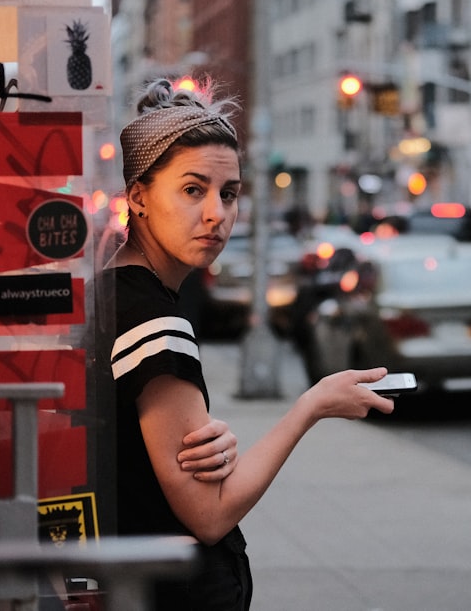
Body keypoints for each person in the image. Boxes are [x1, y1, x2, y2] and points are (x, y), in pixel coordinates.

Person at [102, 77, 395, 610]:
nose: (216, 214)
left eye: (228, 193)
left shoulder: (116, 290)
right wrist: (311, 406)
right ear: (139, 196)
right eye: (193, 190)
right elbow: (209, 514)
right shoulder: (152, 322)